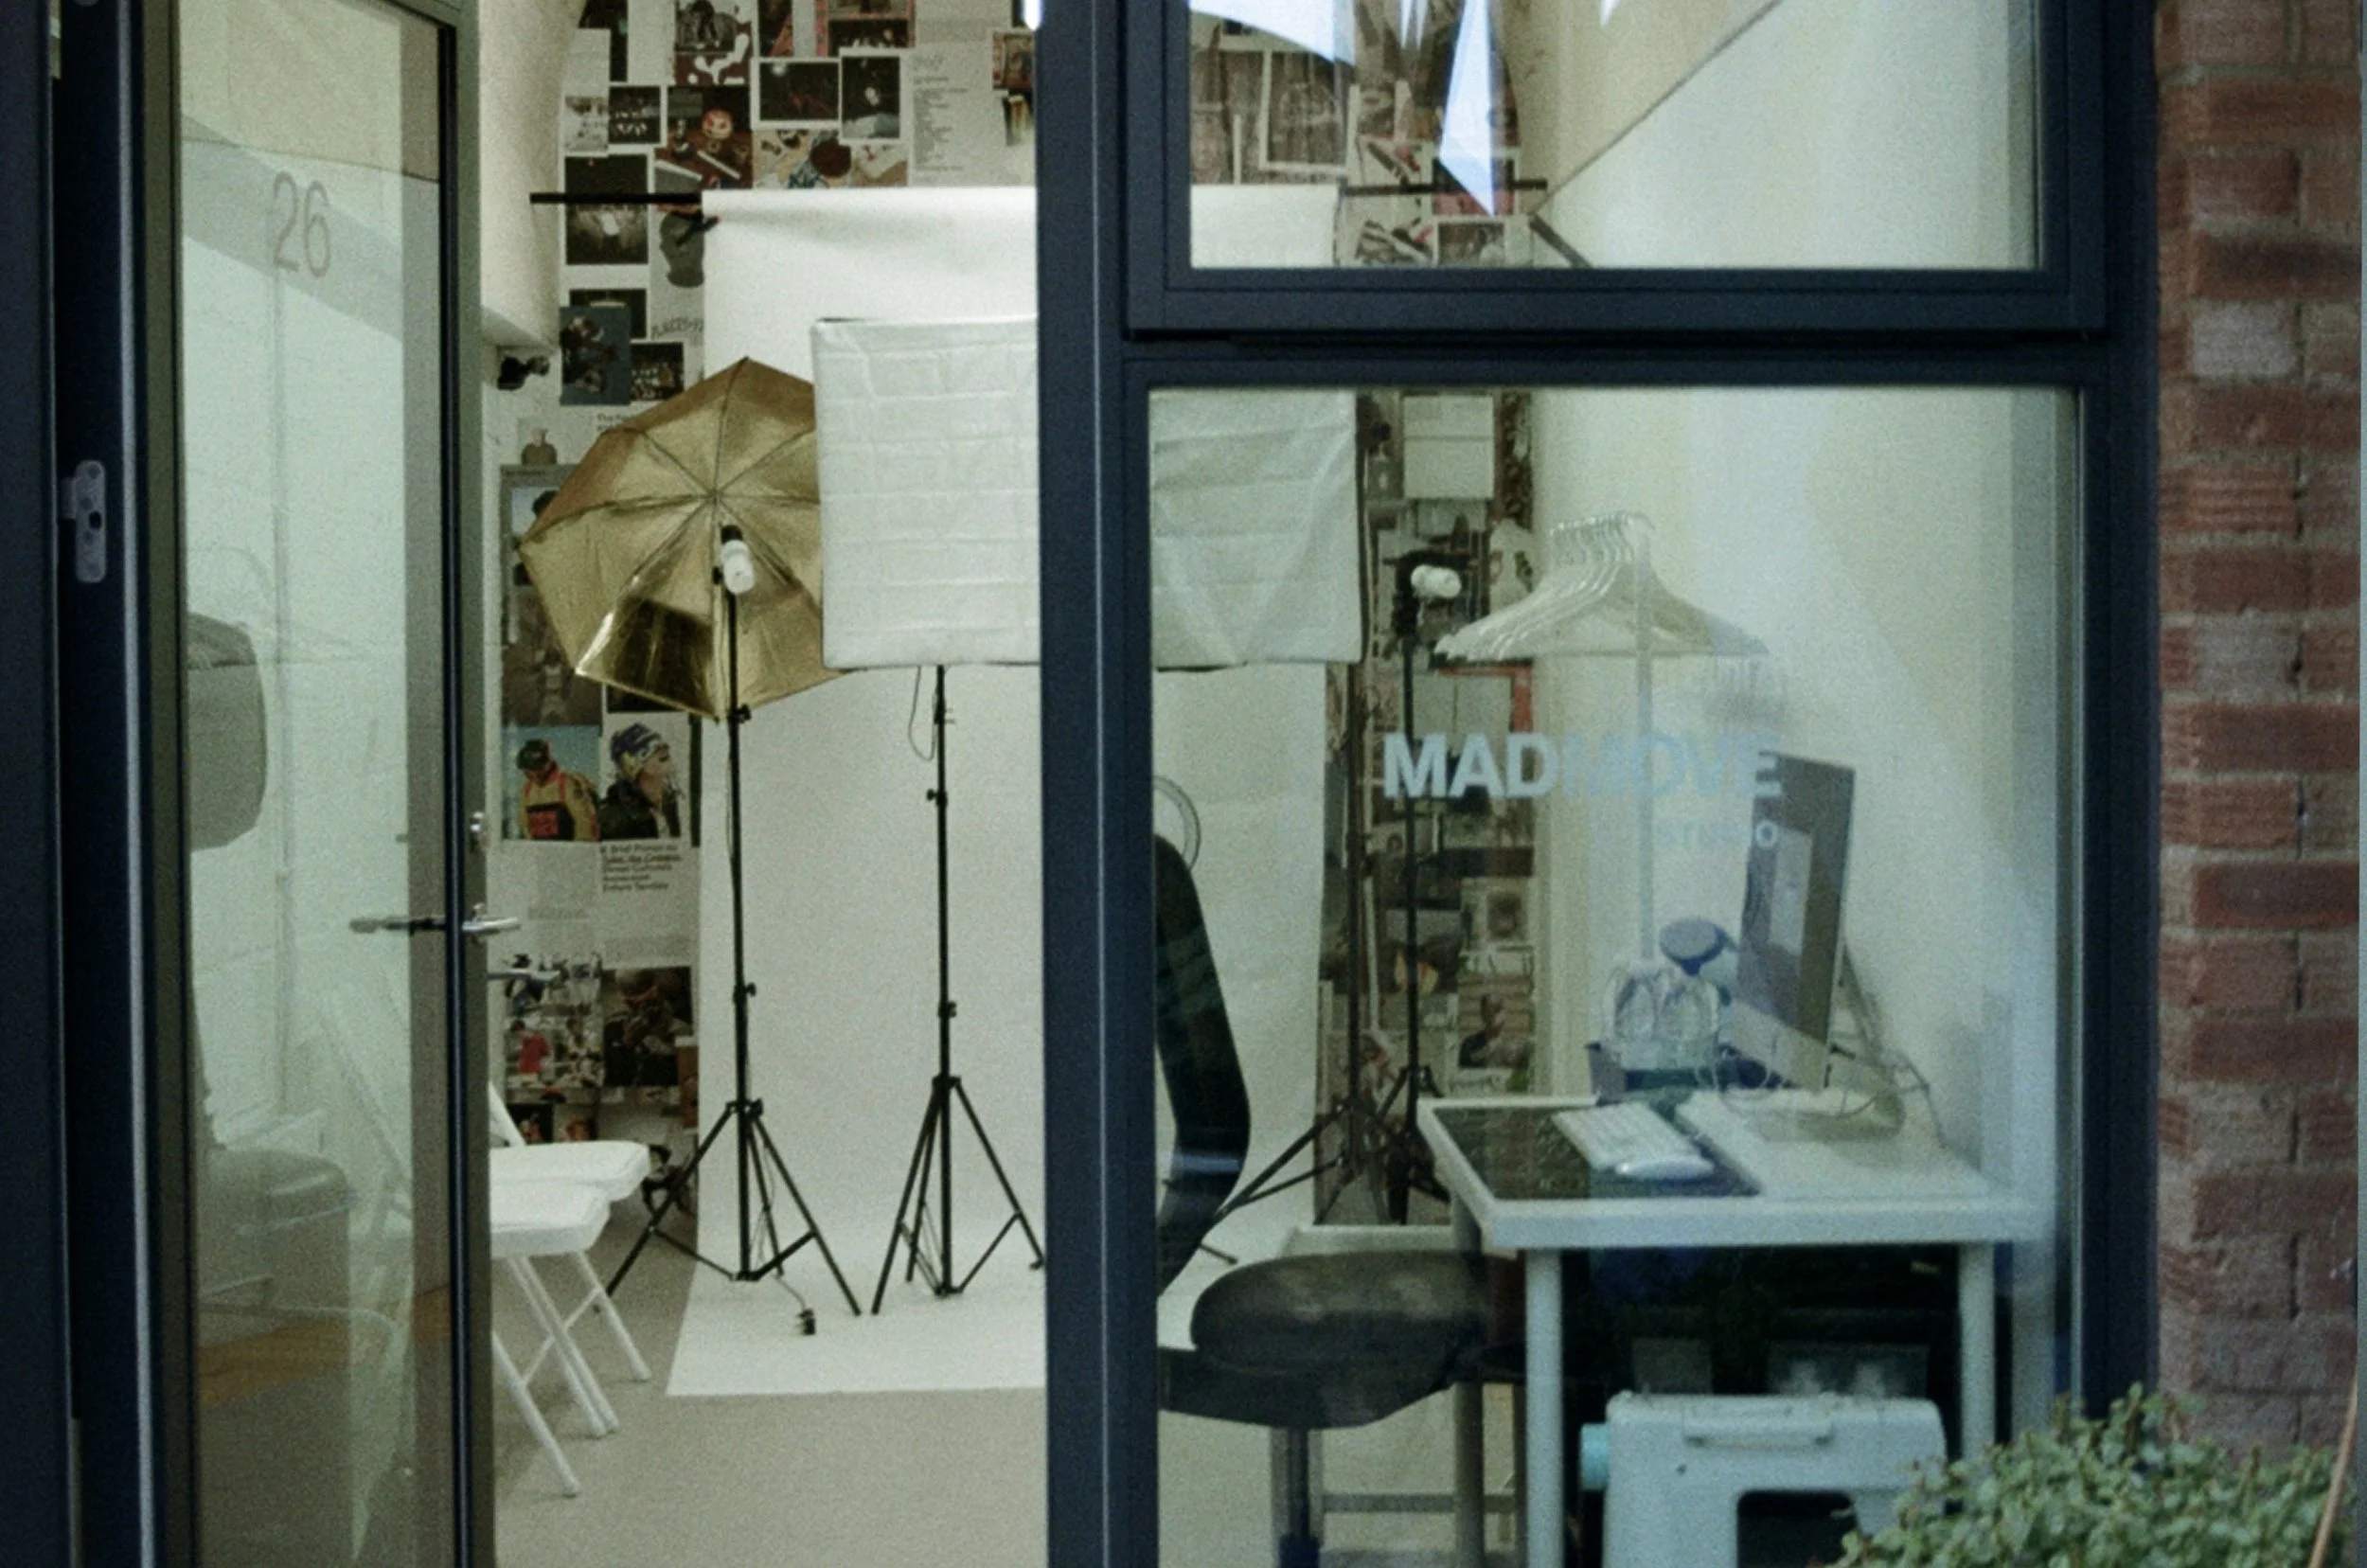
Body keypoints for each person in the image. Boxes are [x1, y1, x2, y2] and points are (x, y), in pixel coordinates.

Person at [598, 722, 683, 840]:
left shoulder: (668, 800)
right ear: (632, 765)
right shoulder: (611, 817)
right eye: (648, 750)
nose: (662, 748)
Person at [516, 737, 598, 840]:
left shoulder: (566, 784)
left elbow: (584, 821)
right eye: (530, 769)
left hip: (568, 849)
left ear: (548, 764)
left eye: (538, 768)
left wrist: (579, 851)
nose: (535, 774)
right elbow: (524, 826)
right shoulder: (526, 791)